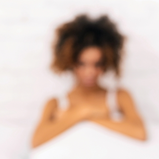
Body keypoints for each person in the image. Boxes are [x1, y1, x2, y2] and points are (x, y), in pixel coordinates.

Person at [32, 14, 146, 148]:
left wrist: (85, 116)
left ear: (107, 62)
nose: (90, 72)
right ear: (70, 62)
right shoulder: (55, 103)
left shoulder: (119, 97)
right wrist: (83, 112)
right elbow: (36, 141)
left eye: (97, 64)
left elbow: (140, 133)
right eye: (82, 64)